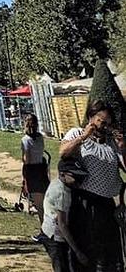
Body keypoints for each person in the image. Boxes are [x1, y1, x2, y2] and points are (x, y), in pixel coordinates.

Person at [59, 99, 126, 272]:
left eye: (108, 123)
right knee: (90, 251)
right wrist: (83, 137)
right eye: (101, 121)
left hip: (108, 204)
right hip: (86, 203)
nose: (104, 126)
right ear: (91, 117)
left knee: (109, 253)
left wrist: (122, 147)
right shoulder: (77, 133)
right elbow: (63, 152)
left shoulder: (111, 142)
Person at [41, 158, 90, 272]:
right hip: (55, 237)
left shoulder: (57, 182)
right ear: (62, 174)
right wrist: (77, 251)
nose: (78, 179)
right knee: (61, 268)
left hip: (49, 231)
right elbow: (62, 224)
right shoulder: (61, 193)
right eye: (74, 176)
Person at [21, 113, 49, 239]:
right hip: (42, 168)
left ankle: (44, 231)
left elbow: (27, 159)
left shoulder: (25, 140)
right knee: (44, 200)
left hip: (32, 170)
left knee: (39, 205)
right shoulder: (40, 137)